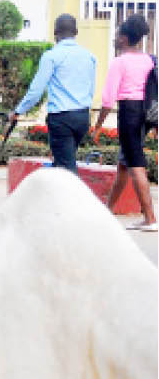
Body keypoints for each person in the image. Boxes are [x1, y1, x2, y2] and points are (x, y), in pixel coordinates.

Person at [90, 14, 157, 231]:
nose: (116, 38)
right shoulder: (149, 59)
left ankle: (150, 218)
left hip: (129, 113)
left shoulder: (119, 62)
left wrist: (98, 125)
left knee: (136, 164)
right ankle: (107, 210)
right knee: (124, 164)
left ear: (125, 38)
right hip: (146, 113)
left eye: (118, 34)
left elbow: (108, 98)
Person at [11, 13, 97, 174]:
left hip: (61, 119)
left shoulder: (51, 56)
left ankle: (74, 198)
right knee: (63, 162)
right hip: (82, 117)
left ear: (55, 32)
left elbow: (36, 91)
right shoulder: (89, 56)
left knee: (66, 171)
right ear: (76, 32)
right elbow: (91, 88)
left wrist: (18, 111)